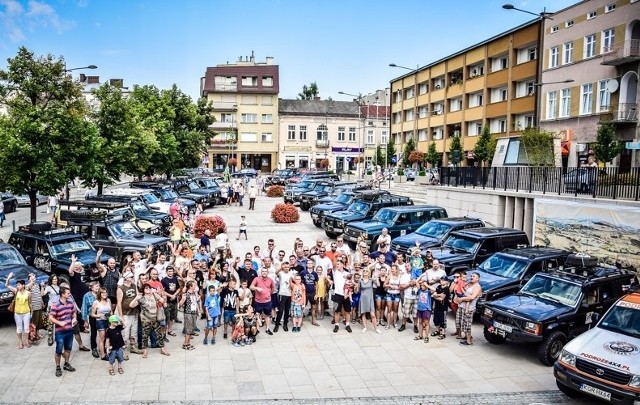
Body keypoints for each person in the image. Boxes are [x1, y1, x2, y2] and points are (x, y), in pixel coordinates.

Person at [130, 283, 170, 357]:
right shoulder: (141, 298)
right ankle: (145, 351)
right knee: (145, 336)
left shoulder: (154, 295)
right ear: (143, 290)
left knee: (159, 335)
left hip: (155, 318)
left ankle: (163, 349)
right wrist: (136, 297)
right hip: (146, 320)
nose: (148, 289)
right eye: (146, 288)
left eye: (149, 288)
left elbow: (162, 301)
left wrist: (162, 296)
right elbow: (131, 305)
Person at [49, 286, 77, 377]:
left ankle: (66, 363)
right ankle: (58, 367)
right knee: (59, 349)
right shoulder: (56, 305)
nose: (69, 294)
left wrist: (74, 318)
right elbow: (51, 317)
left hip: (69, 329)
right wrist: (59, 322)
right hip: (60, 331)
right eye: (68, 293)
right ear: (63, 294)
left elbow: (73, 312)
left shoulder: (70, 303)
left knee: (68, 348)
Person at [116, 271, 142, 360]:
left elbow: (138, 297)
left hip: (134, 312)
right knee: (125, 334)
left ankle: (133, 347)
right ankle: (124, 351)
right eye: (131, 277)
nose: (132, 278)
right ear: (126, 278)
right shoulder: (121, 288)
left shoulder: (134, 286)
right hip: (126, 313)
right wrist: (121, 315)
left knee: (133, 332)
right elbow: (119, 303)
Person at [5, 273, 32, 349]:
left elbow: (30, 303)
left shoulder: (28, 293)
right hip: (17, 313)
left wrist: (31, 312)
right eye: (17, 285)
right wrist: (8, 278)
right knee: (19, 328)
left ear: (23, 285)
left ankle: (26, 341)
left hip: (26, 312)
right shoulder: (16, 291)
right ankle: (20, 342)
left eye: (19, 285)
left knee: (26, 328)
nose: (17, 286)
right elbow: (7, 285)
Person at [458, 272, 482, 346]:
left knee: (467, 324)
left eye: (473, 276)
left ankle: (469, 341)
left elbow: (472, 297)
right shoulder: (469, 284)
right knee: (463, 323)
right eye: (471, 276)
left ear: (477, 278)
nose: (471, 277)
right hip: (462, 306)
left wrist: (462, 299)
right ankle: (466, 336)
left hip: (469, 308)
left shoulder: (477, 287)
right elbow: (465, 292)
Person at [250, 268, 276, 335]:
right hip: (258, 301)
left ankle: (267, 328)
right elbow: (251, 287)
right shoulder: (257, 279)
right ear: (261, 272)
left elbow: (273, 288)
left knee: (267, 315)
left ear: (267, 272)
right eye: (263, 271)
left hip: (267, 301)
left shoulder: (270, 280)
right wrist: (256, 288)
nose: (264, 272)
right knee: (258, 315)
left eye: (265, 271)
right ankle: (257, 329)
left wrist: (268, 294)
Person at [90, 287, 112, 360]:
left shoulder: (108, 300)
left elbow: (111, 311)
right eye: (103, 293)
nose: (105, 294)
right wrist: (99, 315)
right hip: (100, 321)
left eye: (106, 292)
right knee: (102, 338)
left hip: (108, 320)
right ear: (100, 294)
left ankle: (106, 351)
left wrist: (111, 317)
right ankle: (103, 355)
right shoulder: (96, 302)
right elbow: (92, 314)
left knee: (108, 337)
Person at [358, 268, 381, 333]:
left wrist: (376, 278)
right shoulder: (360, 280)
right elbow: (357, 289)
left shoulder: (371, 280)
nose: (365, 271)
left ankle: (376, 329)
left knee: (372, 315)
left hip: (370, 298)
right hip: (363, 298)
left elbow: (378, 285)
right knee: (363, 313)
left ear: (369, 273)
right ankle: (365, 327)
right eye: (364, 271)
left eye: (366, 271)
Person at [81, 281, 100, 358]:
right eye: (96, 286)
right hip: (92, 316)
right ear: (91, 288)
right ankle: (94, 348)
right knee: (94, 332)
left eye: (98, 286)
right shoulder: (87, 296)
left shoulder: (101, 294)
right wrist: (85, 320)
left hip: (101, 316)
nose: (98, 288)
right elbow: (84, 308)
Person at [179, 280, 200, 350]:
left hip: (193, 313)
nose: (195, 286)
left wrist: (198, 311)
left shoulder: (193, 293)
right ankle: (185, 344)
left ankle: (188, 343)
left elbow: (195, 302)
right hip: (188, 313)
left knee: (191, 329)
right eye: (194, 285)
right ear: (190, 286)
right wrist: (182, 299)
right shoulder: (186, 294)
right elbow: (180, 304)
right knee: (188, 330)